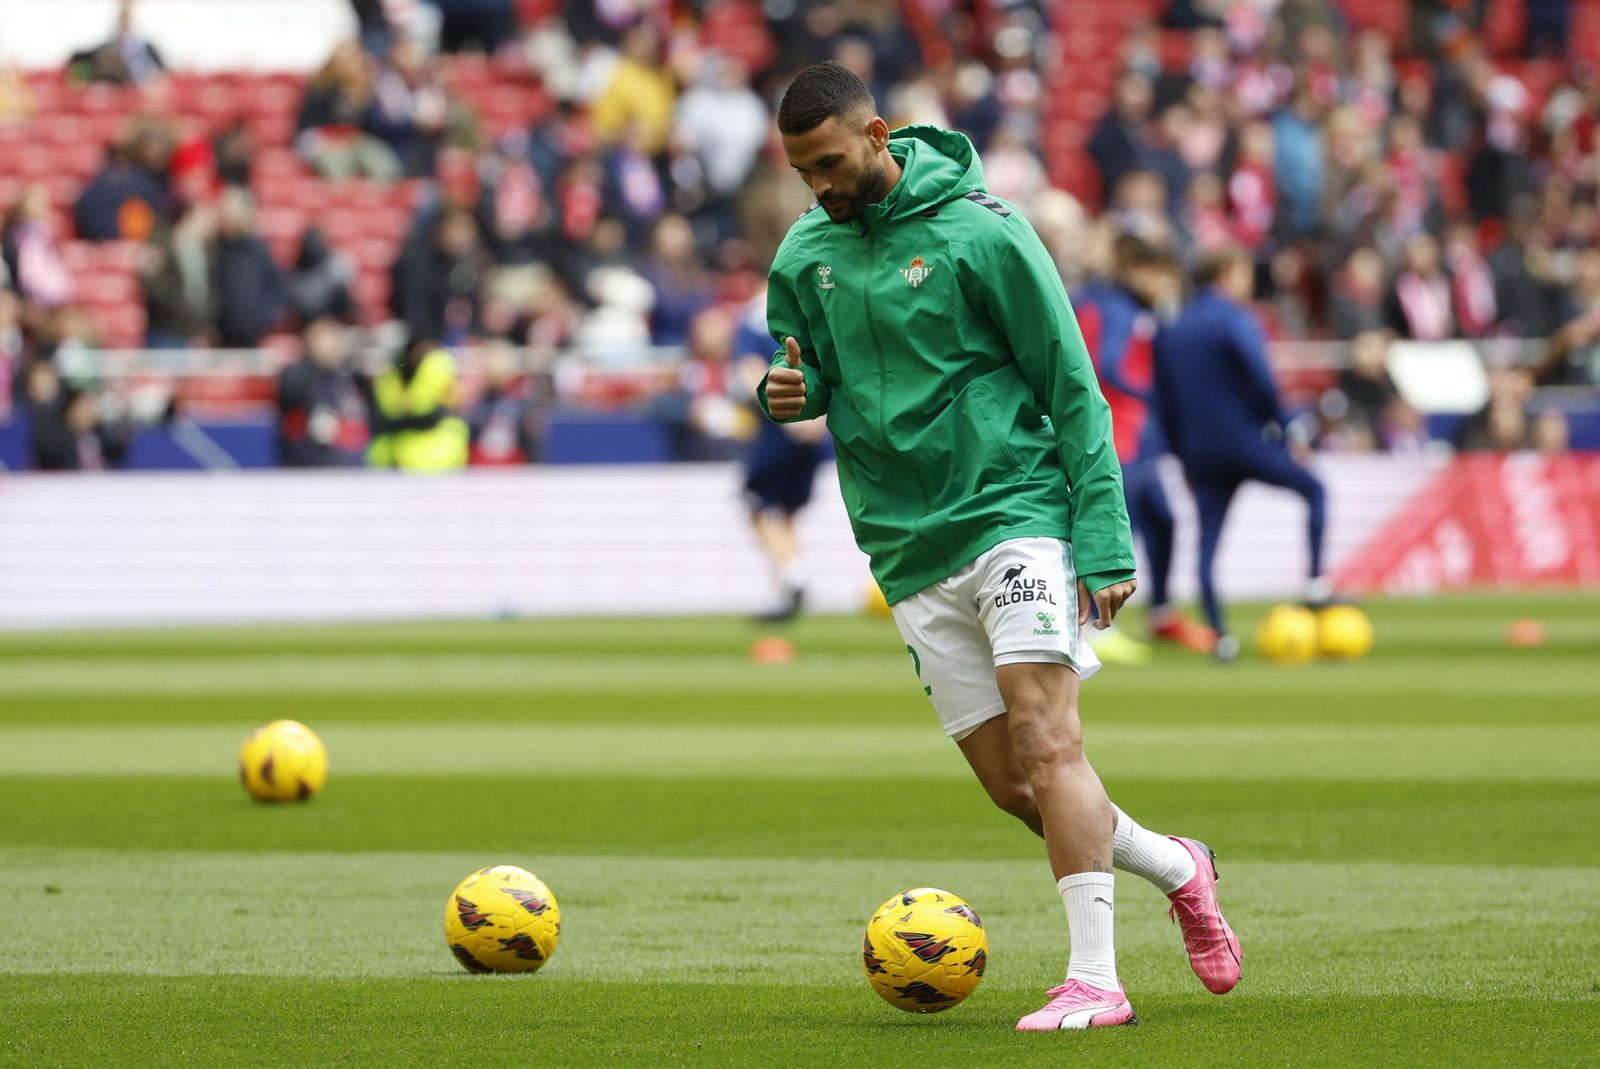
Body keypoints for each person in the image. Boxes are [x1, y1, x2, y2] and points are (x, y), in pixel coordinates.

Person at [756, 62, 1239, 1033]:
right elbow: (808, 370)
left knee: (1048, 738)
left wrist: (1101, 536)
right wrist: (787, 391)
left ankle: (1096, 979)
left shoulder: (985, 231)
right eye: (803, 171)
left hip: (1013, 509)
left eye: (831, 163)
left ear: (878, 135)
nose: (819, 185)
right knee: (1015, 785)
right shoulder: (804, 254)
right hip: (905, 543)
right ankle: (1178, 865)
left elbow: (1071, 383)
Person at [1153, 245, 1329, 659]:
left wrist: (1183, 457)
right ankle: (1315, 586)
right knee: (1315, 490)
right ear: (1229, 273)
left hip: (1200, 453)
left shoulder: (1172, 328)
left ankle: (1220, 637)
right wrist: (1287, 432)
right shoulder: (1235, 318)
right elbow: (1263, 380)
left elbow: (1165, 402)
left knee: (1207, 548)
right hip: (1246, 442)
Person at [1074, 235, 1214, 658]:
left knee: (1163, 519)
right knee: (1121, 527)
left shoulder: (1094, 300)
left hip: (1121, 431)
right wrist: (1153, 395)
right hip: (1119, 432)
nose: (1167, 288)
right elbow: (1109, 364)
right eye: (1162, 278)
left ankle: (1161, 614)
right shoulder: (1124, 310)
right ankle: (1097, 626)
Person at [734, 292, 829, 622]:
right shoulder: (813, 300)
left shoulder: (753, 315)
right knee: (787, 511)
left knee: (756, 503)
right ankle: (787, 588)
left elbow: (751, 371)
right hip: (815, 429)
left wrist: (784, 417)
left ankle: (793, 574)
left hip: (778, 429)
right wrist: (819, 420)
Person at [367, 334, 469, 472]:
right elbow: (382, 417)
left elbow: (446, 411)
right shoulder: (390, 376)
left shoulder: (441, 370)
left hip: (435, 457)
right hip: (394, 457)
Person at [276, 316, 368, 466]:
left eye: (332, 338)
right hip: (306, 463)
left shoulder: (351, 376)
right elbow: (289, 412)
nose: (327, 345)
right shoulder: (296, 376)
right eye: (319, 339)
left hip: (347, 464)